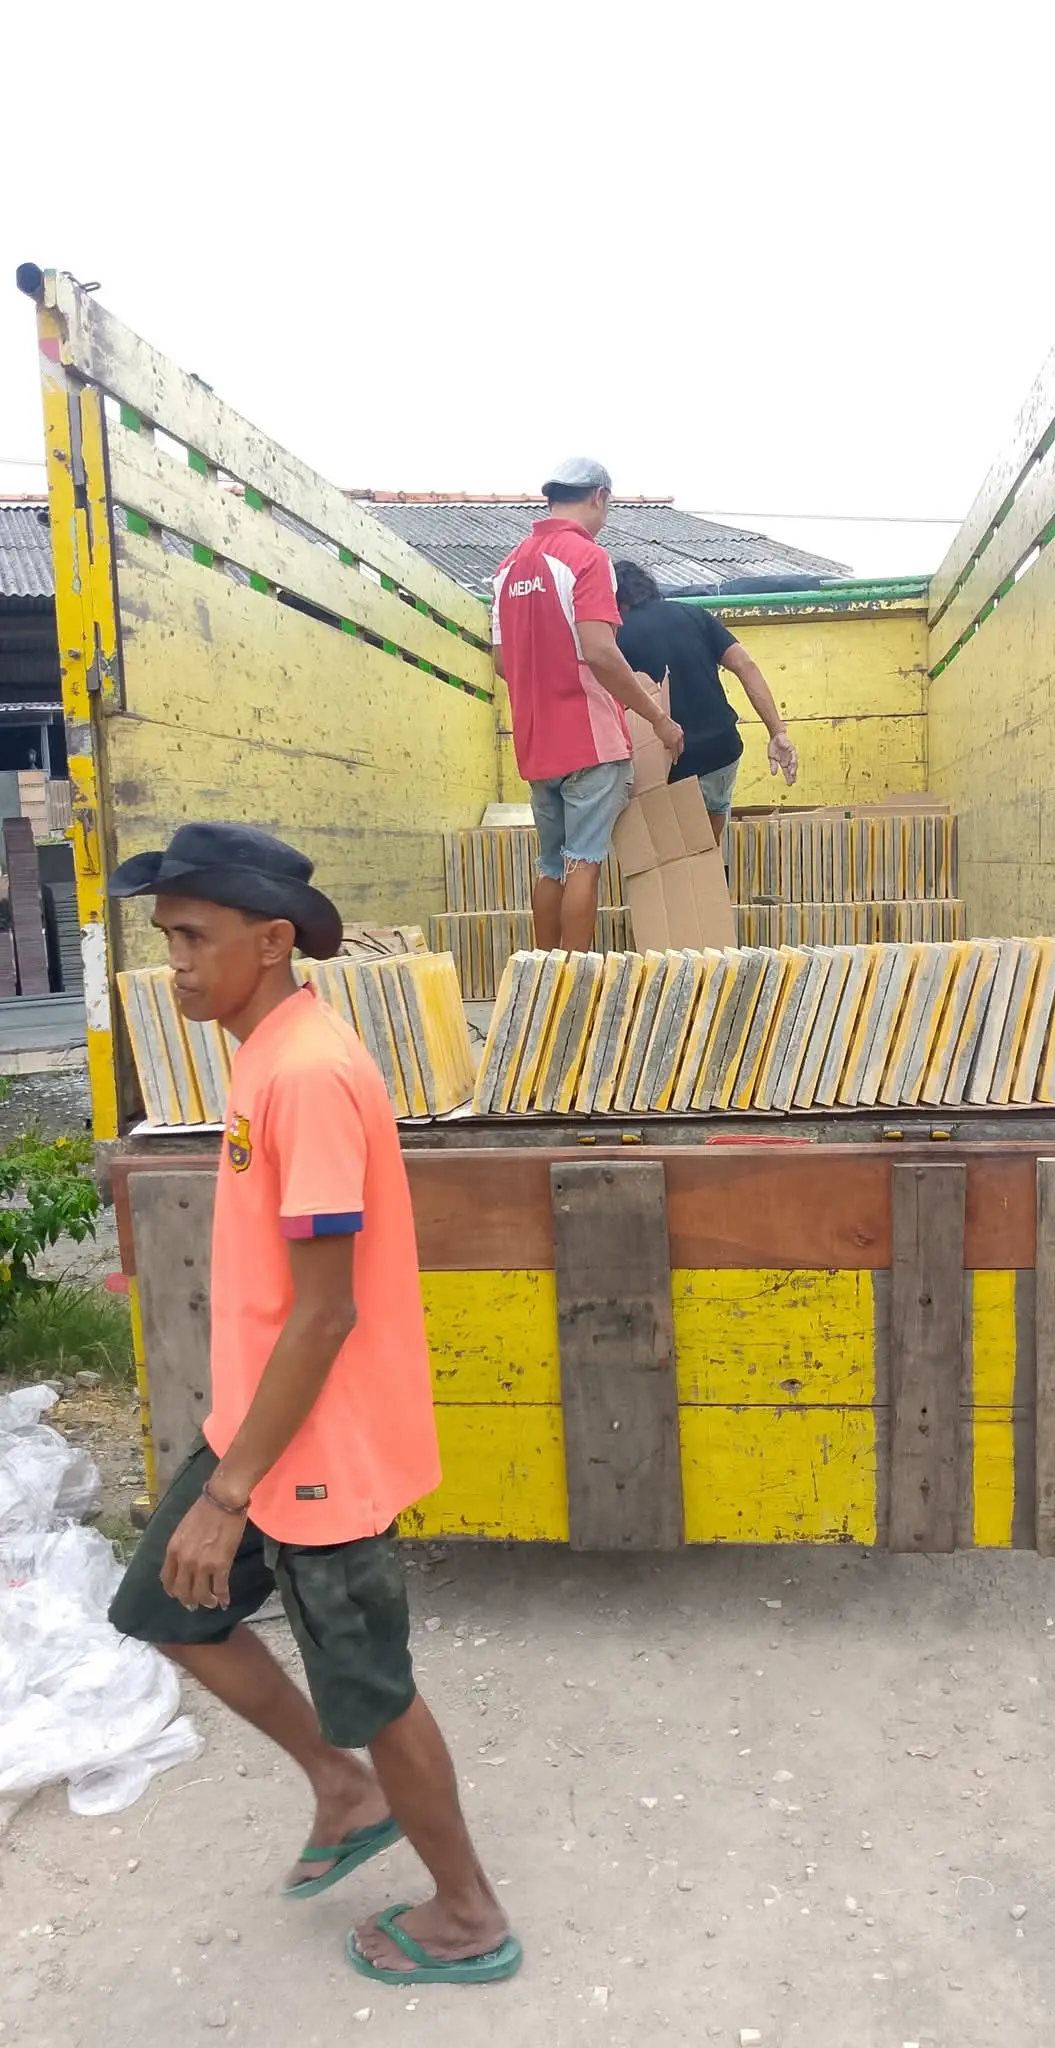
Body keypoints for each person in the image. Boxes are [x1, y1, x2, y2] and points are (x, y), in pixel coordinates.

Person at [106, 821, 521, 1990]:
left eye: (194, 936)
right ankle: (344, 1788)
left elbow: (327, 1310)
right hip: (260, 1429)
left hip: (315, 1450)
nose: (175, 961)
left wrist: (230, 1495)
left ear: (273, 938)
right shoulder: (261, 1051)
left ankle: (469, 1910)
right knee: (164, 1607)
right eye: (168, 938)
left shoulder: (309, 1072)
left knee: (372, 1687)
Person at [491, 458, 684, 951]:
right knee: (584, 862)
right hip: (589, 740)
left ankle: (542, 977)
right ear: (598, 496)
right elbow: (600, 651)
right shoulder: (586, 557)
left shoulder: (507, 568)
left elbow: (501, 663)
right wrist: (658, 718)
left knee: (550, 864)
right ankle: (574, 982)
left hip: (536, 743)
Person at [614, 561, 798, 842]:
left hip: (667, 761)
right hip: (720, 753)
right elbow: (745, 665)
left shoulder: (615, 637)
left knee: (668, 860)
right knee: (704, 851)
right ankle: (708, 875)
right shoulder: (694, 614)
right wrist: (777, 732)